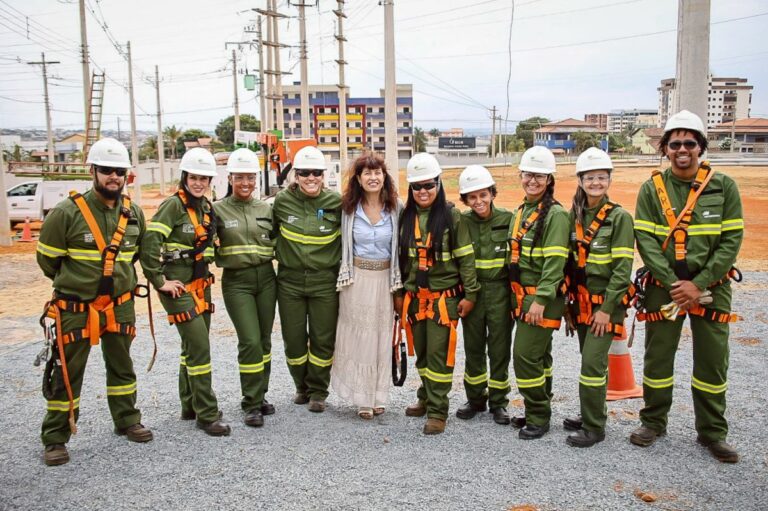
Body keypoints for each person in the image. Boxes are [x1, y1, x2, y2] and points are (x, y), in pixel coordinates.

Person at [630, 110, 744, 463]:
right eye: (675, 143)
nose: (683, 149)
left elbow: (731, 240)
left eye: (689, 143)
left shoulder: (723, 187)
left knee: (712, 361)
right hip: (665, 288)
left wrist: (698, 284)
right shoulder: (652, 189)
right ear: (665, 148)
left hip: (712, 287)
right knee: (659, 356)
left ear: (701, 147)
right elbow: (646, 241)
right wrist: (672, 284)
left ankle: (712, 432)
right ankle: (653, 422)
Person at [36, 137, 153, 466]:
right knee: (67, 372)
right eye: (106, 170)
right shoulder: (66, 213)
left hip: (120, 305)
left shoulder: (134, 215)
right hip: (76, 309)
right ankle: (55, 437)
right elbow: (48, 262)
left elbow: (137, 257)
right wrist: (78, 286)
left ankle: (127, 419)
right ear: (92, 171)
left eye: (120, 171)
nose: (113, 176)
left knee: (122, 366)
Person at [140, 147, 230, 437]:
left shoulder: (205, 207)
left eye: (204, 178)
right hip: (177, 287)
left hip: (199, 283)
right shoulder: (173, 207)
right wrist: (158, 280)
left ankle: (189, 405)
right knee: (200, 346)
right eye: (194, 177)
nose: (199, 183)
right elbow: (150, 243)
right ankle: (207, 413)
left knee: (190, 347)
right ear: (184, 177)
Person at [398, 152, 479, 435]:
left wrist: (470, 295)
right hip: (415, 298)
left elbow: (466, 259)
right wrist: (400, 294)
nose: (423, 191)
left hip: (443, 299)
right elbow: (401, 260)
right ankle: (425, 396)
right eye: (417, 186)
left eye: (429, 185)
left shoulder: (451, 216)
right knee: (421, 353)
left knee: (439, 356)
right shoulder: (405, 217)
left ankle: (437, 411)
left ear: (439, 183)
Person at [563, 147, 634, 448]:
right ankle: (592, 412)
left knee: (592, 364)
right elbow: (568, 263)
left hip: (604, 306)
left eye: (601, 177)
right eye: (590, 177)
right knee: (591, 361)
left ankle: (595, 427)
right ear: (580, 180)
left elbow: (622, 269)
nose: (595, 182)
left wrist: (607, 309)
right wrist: (567, 306)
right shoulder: (575, 215)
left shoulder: (619, 218)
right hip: (580, 304)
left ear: (609, 179)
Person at [273, 145, 342, 413]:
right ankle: (300, 386)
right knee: (293, 340)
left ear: (323, 175)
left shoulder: (336, 203)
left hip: (324, 281)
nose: (310, 178)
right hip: (289, 282)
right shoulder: (282, 201)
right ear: (296, 175)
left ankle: (318, 391)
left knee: (322, 338)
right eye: (304, 173)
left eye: (316, 173)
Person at [332, 153, 401, 419]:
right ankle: (362, 399)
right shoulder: (348, 209)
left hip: (385, 280)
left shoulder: (397, 207)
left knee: (381, 338)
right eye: (367, 174)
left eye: (377, 172)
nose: (373, 178)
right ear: (358, 180)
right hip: (356, 279)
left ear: (384, 177)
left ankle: (378, 396)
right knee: (358, 338)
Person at [507, 145, 569, 440]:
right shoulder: (522, 211)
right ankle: (539, 408)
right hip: (524, 296)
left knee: (524, 356)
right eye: (529, 174)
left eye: (540, 176)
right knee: (540, 357)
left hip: (541, 299)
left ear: (549, 180)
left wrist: (541, 300)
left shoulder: (555, 215)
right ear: (521, 175)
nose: (532, 180)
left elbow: (555, 262)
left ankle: (538, 416)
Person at [214, 148, 277, 428]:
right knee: (249, 341)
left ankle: (260, 395)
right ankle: (250, 403)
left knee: (264, 341)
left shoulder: (265, 208)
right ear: (230, 178)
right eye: (240, 177)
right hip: (236, 281)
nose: (245, 183)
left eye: (250, 178)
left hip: (266, 278)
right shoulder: (216, 210)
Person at [454, 165, 514, 426]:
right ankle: (475, 398)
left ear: (492, 193)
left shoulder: (508, 219)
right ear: (465, 200)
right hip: (473, 294)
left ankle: (499, 402)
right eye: (472, 197)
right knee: (474, 348)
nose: (479, 201)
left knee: (499, 350)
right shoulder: (462, 222)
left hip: (500, 291)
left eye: (483, 195)